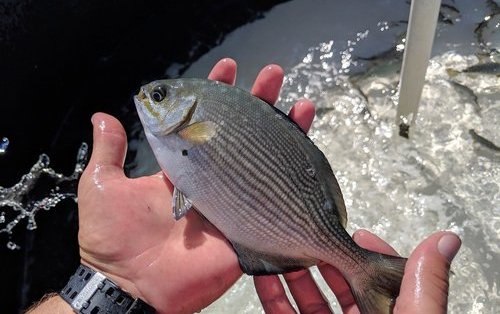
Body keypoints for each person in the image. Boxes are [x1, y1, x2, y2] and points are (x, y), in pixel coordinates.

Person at [28, 59, 461, 314]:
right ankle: (366, 270)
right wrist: (116, 281)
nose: (148, 97)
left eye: (160, 96)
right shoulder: (185, 129)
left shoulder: (187, 127)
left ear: (185, 110)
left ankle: (365, 270)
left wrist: (100, 292)